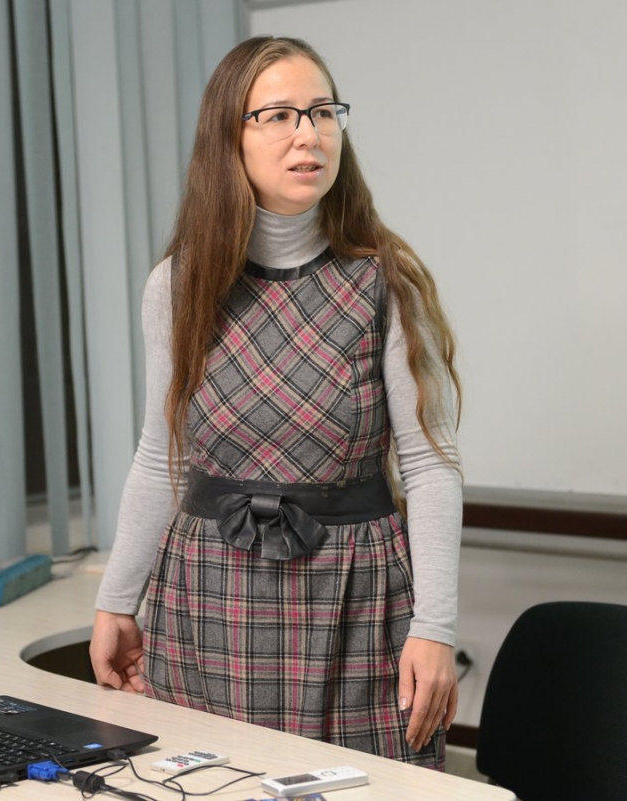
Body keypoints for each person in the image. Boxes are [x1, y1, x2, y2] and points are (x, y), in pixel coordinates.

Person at [89, 35, 463, 770]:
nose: (308, 134)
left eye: (323, 112)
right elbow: (161, 456)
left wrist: (436, 626)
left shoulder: (388, 282)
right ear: (228, 137)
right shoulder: (179, 284)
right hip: (206, 595)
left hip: (353, 598)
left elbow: (429, 466)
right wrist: (115, 601)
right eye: (280, 115)